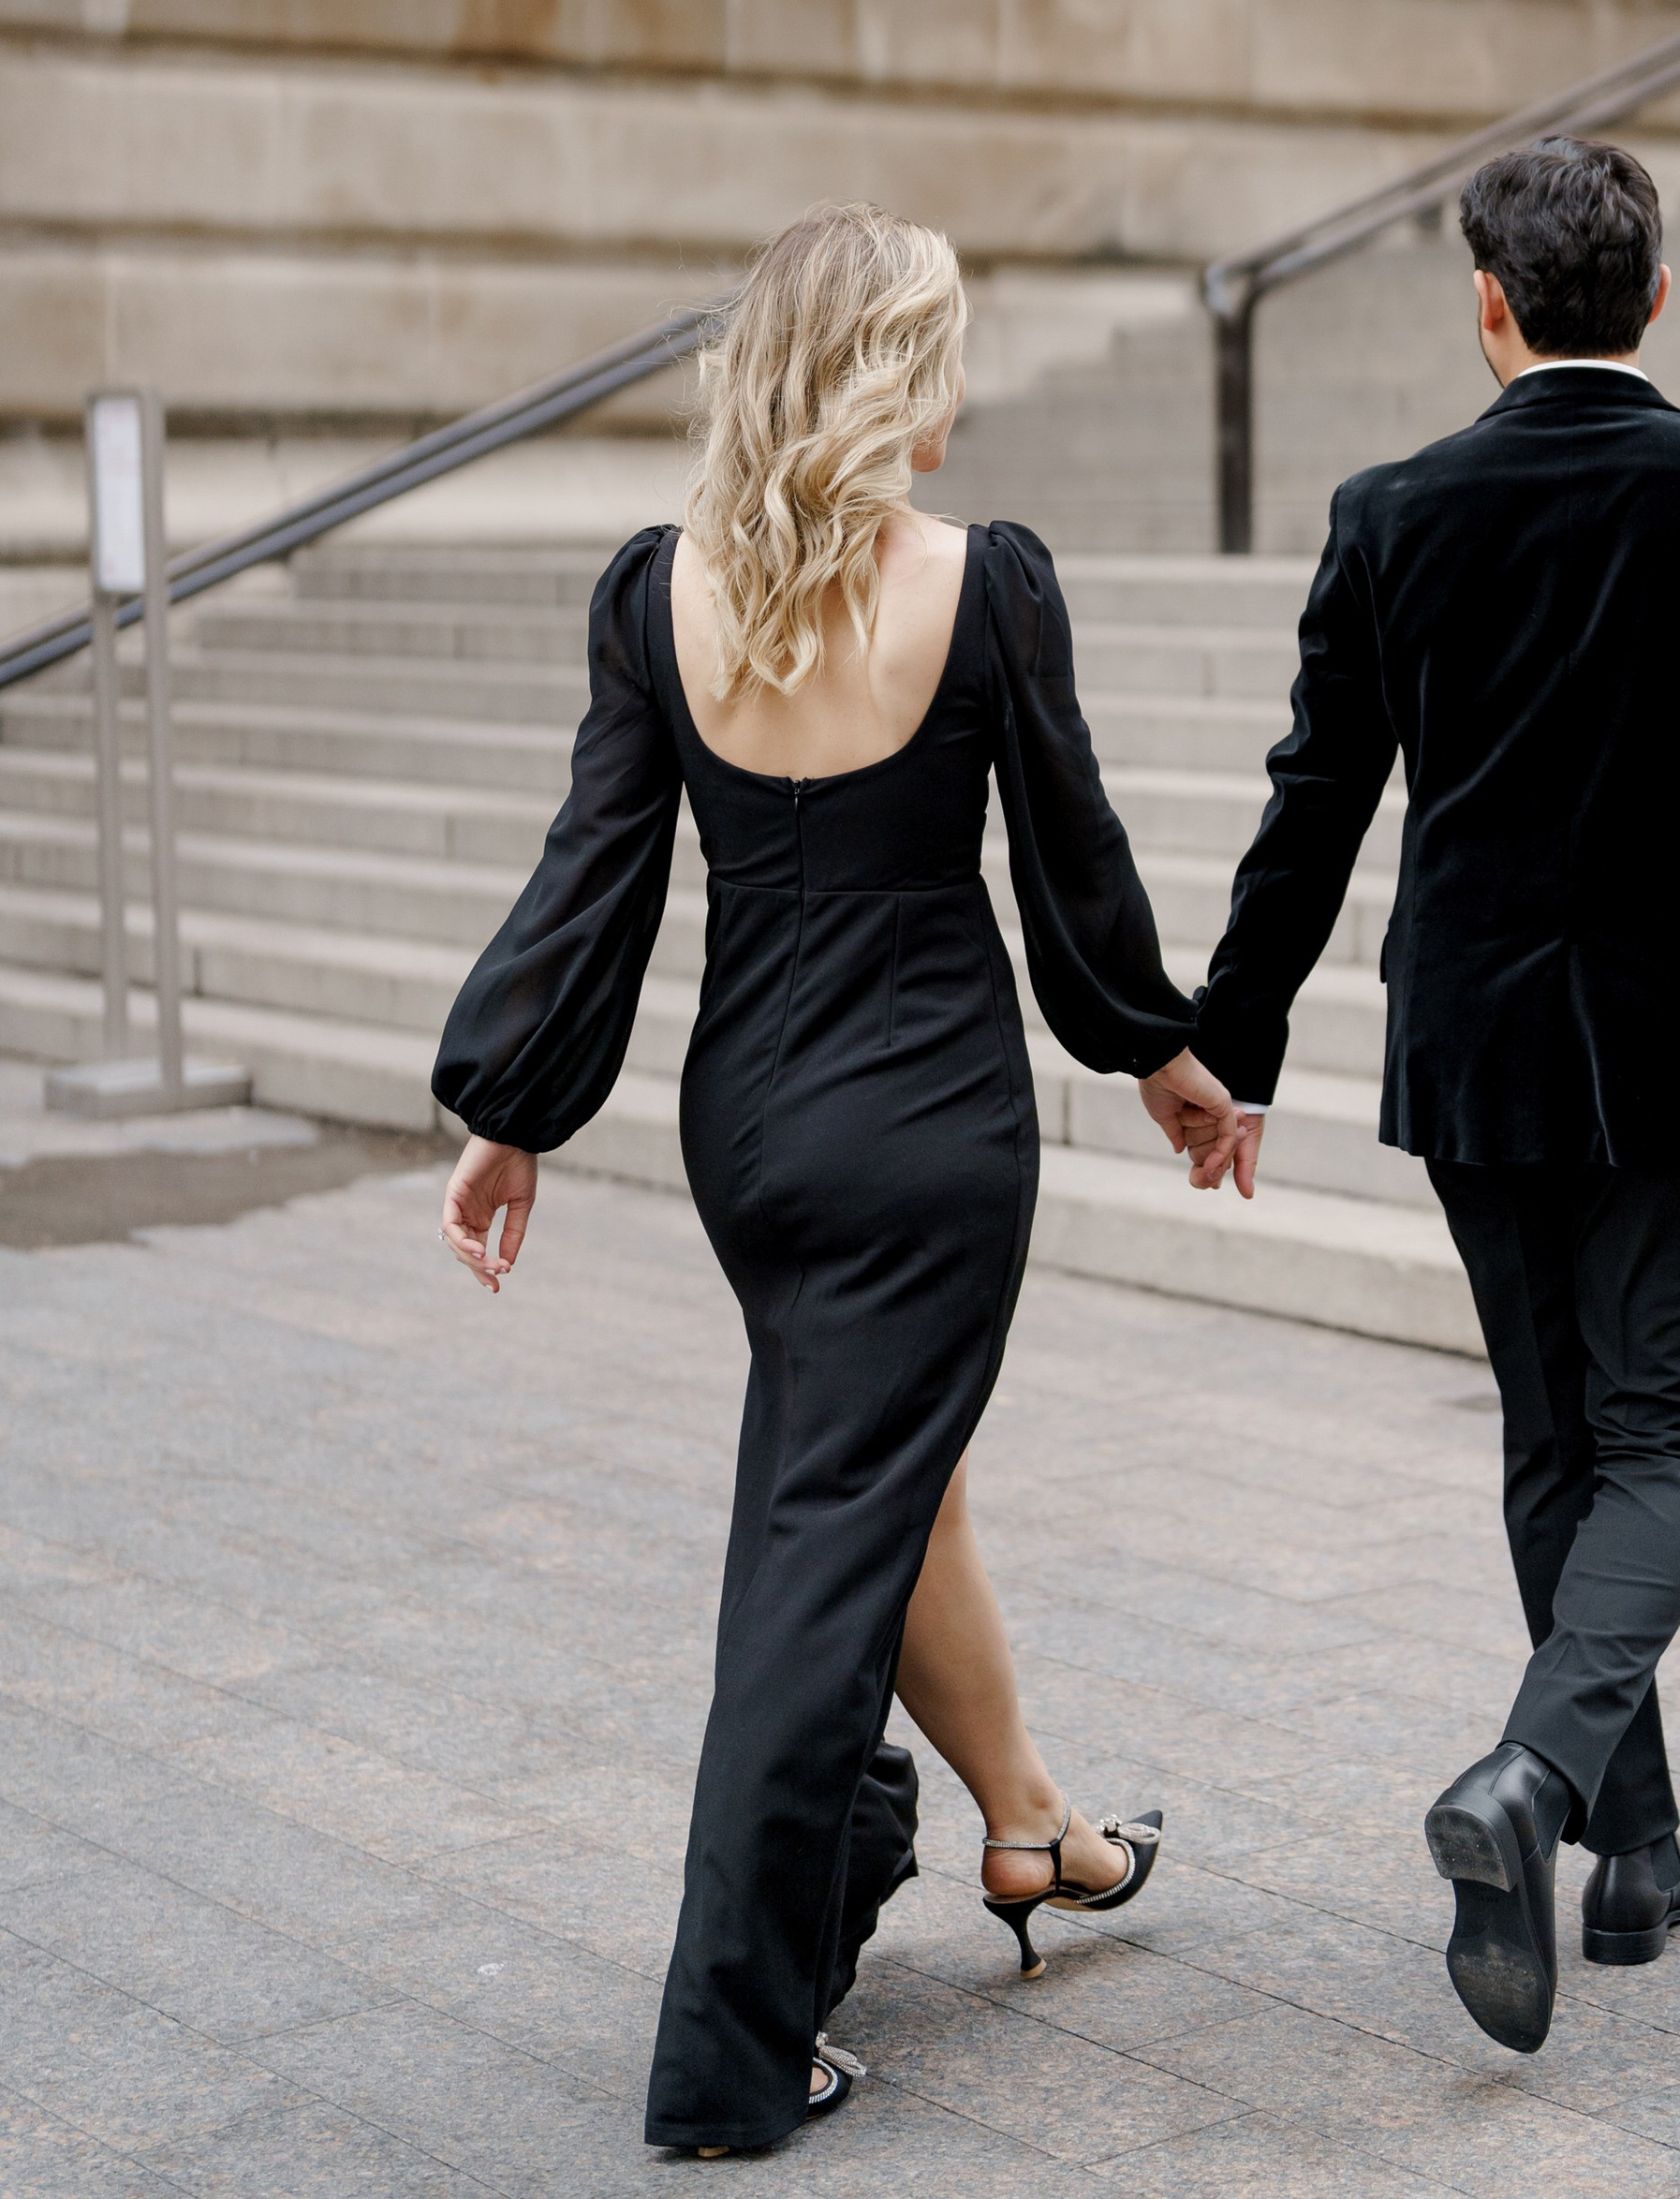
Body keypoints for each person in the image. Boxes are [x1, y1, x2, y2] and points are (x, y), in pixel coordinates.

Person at [430, 202, 1244, 2153]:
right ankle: (732, 2040)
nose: (957, 383)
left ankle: (1027, 1826)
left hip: (757, 1126)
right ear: (889, 374)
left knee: (884, 1471)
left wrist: (509, 1107)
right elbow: (1078, 871)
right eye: (939, 348)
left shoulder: (660, 592)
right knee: (822, 1548)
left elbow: (588, 885)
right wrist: (1165, 1060)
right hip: (932, 1134)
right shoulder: (986, 585)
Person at [1190, 134, 1680, 2056]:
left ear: (1485, 307)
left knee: (1556, 1434)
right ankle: (1537, 1788)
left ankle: (1634, 1853)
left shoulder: (1388, 511)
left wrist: (1231, 1047)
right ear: (1654, 301)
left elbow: (1311, 812)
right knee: (1673, 1438)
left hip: (1475, 1041)